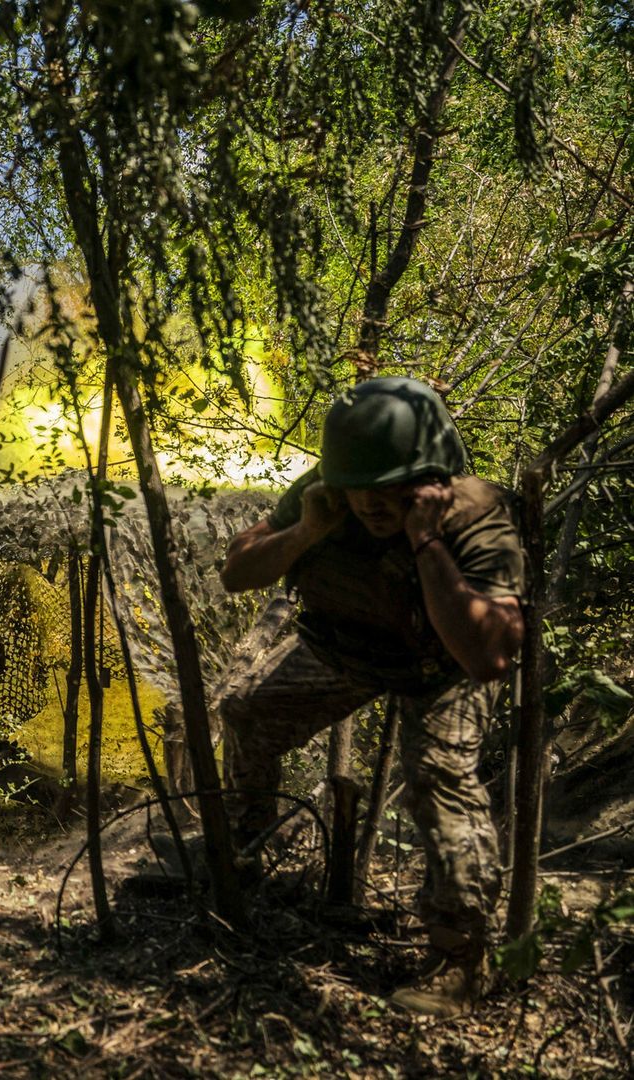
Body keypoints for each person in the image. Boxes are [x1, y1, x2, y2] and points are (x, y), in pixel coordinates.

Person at [217, 376, 525, 1018]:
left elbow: (489, 656)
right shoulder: (323, 495)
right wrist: (305, 532)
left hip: (443, 668)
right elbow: (236, 570)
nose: (373, 502)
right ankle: (244, 863)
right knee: (248, 711)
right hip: (344, 653)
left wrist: (427, 541)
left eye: (395, 487)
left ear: (434, 478)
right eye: (361, 486)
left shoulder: (477, 514)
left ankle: (460, 958)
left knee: (439, 774)